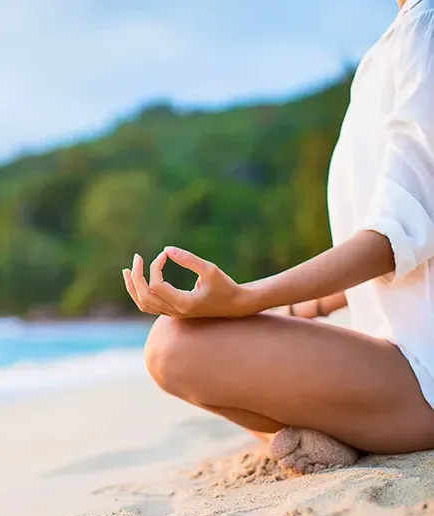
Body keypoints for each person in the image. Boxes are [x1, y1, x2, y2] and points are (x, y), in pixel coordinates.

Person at [122, 0, 434, 474]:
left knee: (174, 346)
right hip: (403, 352)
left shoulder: (425, 30)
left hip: (422, 375)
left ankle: (339, 435)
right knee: (191, 336)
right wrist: (299, 307)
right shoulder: (395, 45)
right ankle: (328, 433)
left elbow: (398, 233)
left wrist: (247, 298)